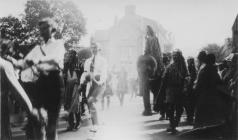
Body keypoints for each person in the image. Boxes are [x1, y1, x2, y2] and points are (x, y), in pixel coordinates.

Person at [9, 18, 65, 140]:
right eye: (41, 29)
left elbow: (55, 60)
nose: (42, 31)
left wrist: (38, 60)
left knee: (51, 124)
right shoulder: (37, 48)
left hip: (54, 82)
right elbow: (23, 63)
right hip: (41, 83)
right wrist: (11, 60)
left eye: (46, 28)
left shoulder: (59, 44)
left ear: (53, 29)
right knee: (36, 120)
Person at [80, 43, 107, 132]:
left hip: (99, 83)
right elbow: (85, 73)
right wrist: (82, 82)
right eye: (92, 48)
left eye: (96, 48)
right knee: (89, 102)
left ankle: (96, 125)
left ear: (99, 49)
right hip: (91, 84)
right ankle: (97, 122)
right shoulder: (88, 61)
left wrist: (98, 81)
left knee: (91, 101)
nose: (94, 49)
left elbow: (104, 73)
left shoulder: (103, 60)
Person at [160, 50, 188, 134]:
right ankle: (172, 125)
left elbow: (186, 78)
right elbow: (164, 77)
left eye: (176, 55)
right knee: (170, 108)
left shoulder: (183, 66)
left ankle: (174, 124)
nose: (174, 57)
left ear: (179, 56)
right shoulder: (170, 66)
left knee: (179, 108)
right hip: (170, 90)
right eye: (174, 55)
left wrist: (184, 87)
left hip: (179, 90)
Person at [64, 50, 81, 131]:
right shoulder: (66, 64)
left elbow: (82, 76)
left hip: (76, 86)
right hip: (68, 86)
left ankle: (78, 122)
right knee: (68, 104)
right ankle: (71, 124)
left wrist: (81, 87)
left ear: (75, 56)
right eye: (69, 54)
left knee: (75, 105)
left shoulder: (79, 64)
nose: (70, 56)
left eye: (72, 55)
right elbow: (64, 76)